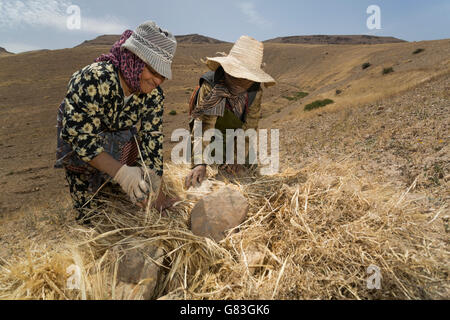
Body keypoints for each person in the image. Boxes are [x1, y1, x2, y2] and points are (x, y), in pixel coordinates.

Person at [55, 21, 177, 224]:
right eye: (153, 72)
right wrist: (122, 174)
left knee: (125, 206)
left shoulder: (153, 96)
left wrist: (157, 193)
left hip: (120, 143)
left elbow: (152, 140)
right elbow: (80, 137)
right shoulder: (93, 79)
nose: (158, 81)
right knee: (92, 217)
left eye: (162, 76)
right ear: (134, 59)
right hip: (82, 147)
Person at [184, 36, 276, 189]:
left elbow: (250, 126)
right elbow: (204, 125)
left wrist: (237, 157)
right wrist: (200, 163)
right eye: (233, 77)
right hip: (211, 135)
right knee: (205, 173)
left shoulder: (255, 91)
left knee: (249, 171)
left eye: (244, 80)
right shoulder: (212, 85)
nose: (236, 86)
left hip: (235, 136)